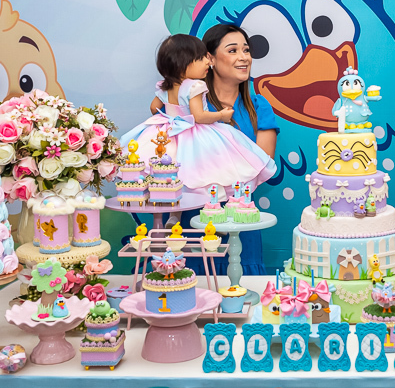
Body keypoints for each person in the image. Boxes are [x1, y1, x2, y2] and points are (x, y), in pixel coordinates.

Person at [120, 34, 276, 191]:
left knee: (169, 165)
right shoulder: (194, 86)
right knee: (201, 166)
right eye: (201, 58)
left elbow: (154, 108)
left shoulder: (166, 86)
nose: (207, 62)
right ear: (183, 64)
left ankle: (176, 200)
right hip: (192, 133)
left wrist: (169, 119)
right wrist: (221, 115)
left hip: (170, 130)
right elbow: (199, 116)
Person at [200, 23, 281, 274]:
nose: (244, 57)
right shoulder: (193, 108)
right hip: (198, 220)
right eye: (233, 50)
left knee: (244, 287)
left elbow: (261, 165)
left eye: (246, 50)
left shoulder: (259, 107)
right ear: (210, 59)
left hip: (242, 218)